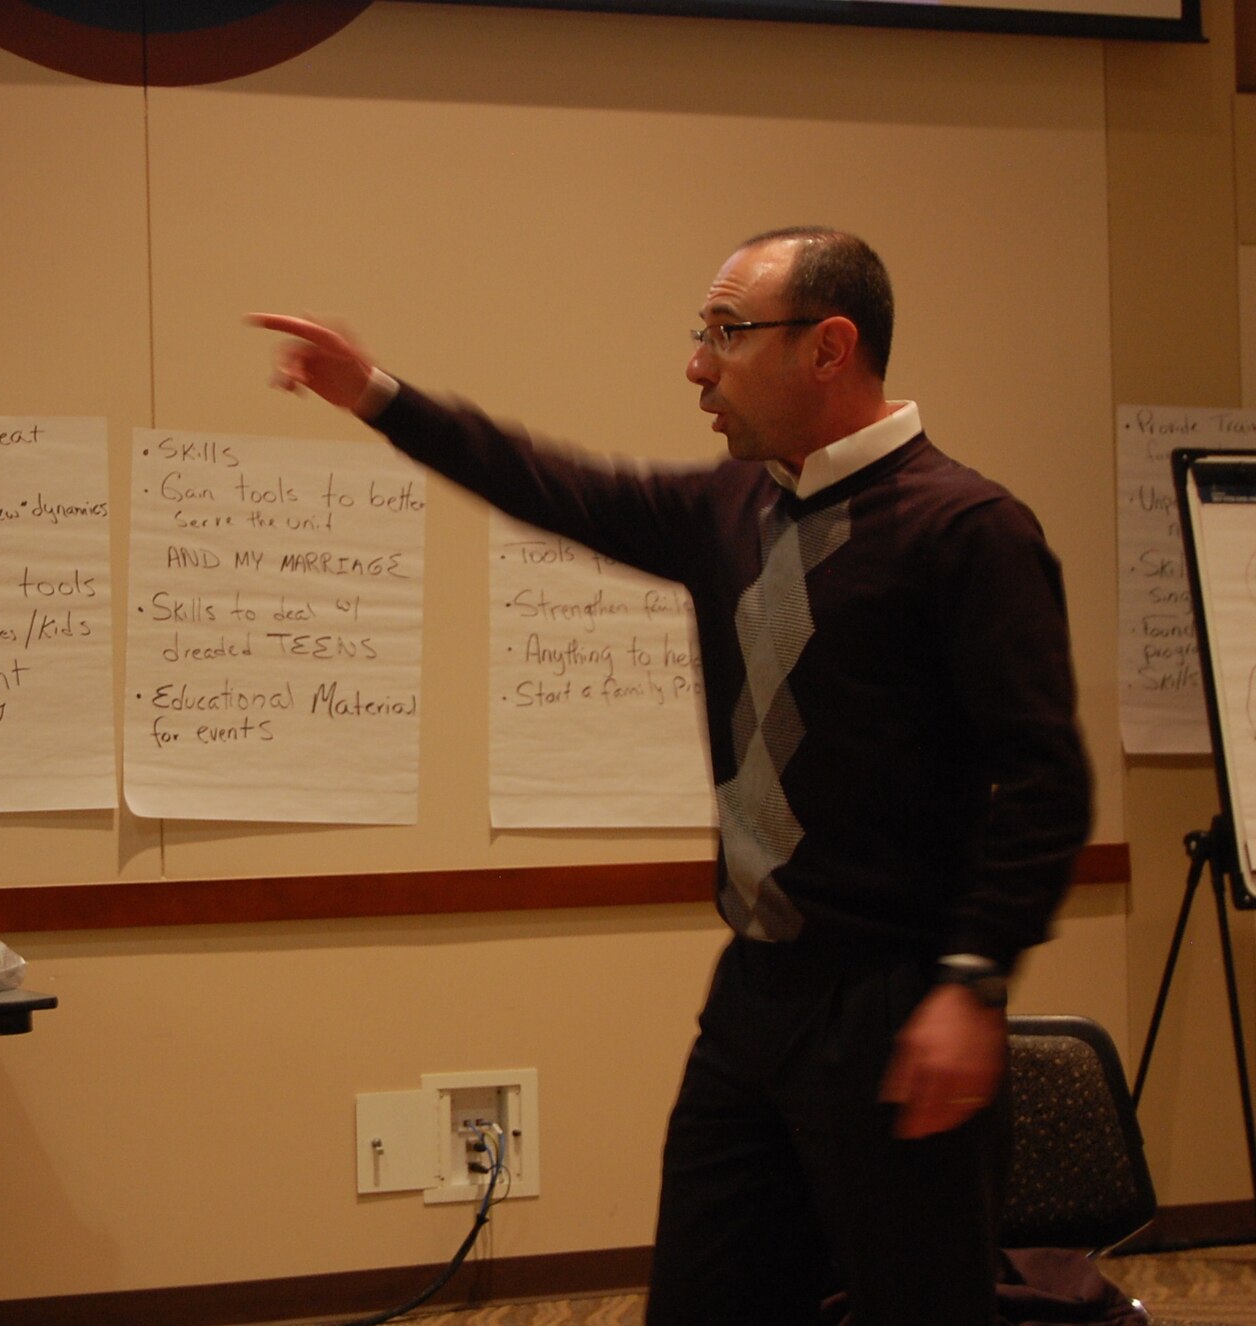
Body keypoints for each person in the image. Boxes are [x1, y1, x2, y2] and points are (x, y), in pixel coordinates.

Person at [253, 227, 1092, 1325]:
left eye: (725, 334)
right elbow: (548, 482)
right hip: (752, 999)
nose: (697, 365)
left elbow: (1044, 784)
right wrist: (377, 396)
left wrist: (972, 980)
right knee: (704, 1300)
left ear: (829, 347)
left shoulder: (965, 531)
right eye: (699, 335)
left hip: (892, 1004)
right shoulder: (729, 511)